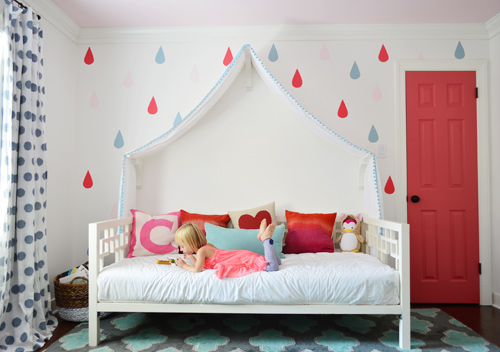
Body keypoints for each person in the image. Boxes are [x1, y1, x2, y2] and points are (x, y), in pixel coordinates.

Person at [174, 219, 281, 279]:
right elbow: (200, 263)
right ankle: (263, 237)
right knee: (278, 262)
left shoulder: (201, 252)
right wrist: (190, 257)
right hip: (242, 255)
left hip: (241, 259)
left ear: (191, 242)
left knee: (272, 267)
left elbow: (197, 269)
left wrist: (184, 265)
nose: (181, 249)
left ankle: (265, 240)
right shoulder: (207, 246)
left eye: (183, 246)